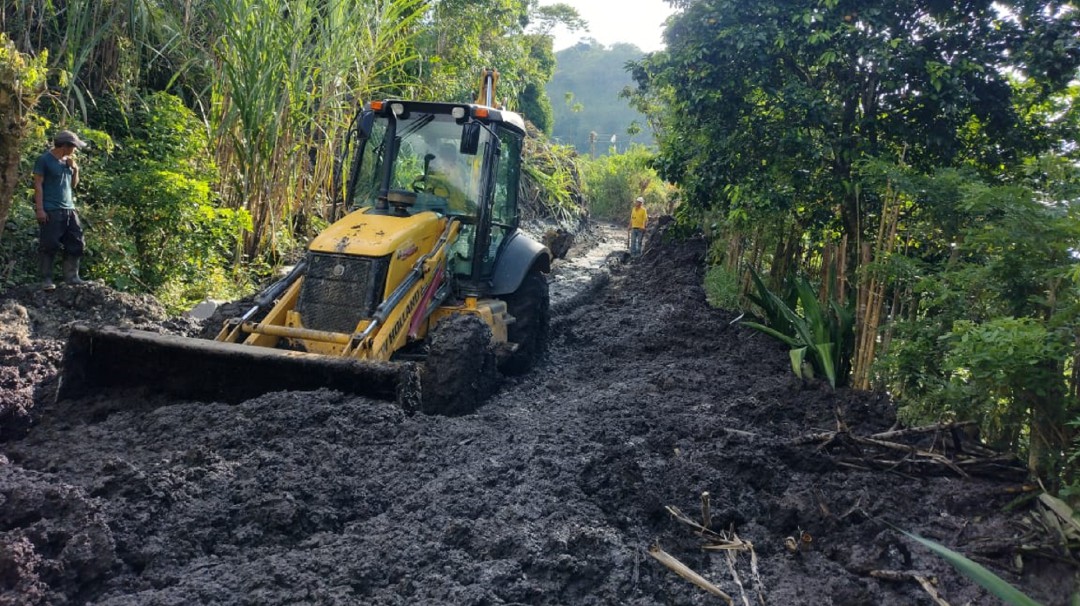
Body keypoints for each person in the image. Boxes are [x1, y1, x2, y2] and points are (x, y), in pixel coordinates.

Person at [33, 130, 88, 290]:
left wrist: (75, 170)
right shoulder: (44, 160)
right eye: (74, 147)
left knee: (77, 242)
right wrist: (40, 209)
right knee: (49, 244)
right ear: (65, 146)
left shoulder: (68, 162)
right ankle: (46, 279)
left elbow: (73, 185)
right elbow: (38, 185)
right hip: (51, 208)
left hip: (69, 208)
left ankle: (72, 277)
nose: (75, 150)